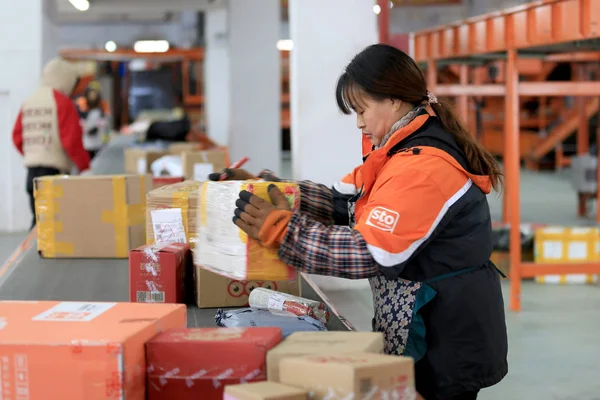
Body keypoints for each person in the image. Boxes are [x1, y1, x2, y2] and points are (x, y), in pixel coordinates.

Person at [211, 44, 508, 400]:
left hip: (444, 333)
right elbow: (343, 203)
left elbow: (369, 253)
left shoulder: (423, 167)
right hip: (422, 322)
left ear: (394, 100)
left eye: (362, 109)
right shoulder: (394, 151)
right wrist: (271, 189)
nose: (359, 122)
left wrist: (283, 231)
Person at [12, 57, 91, 229]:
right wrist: (85, 167)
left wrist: (34, 153)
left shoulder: (29, 102)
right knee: (55, 227)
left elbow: (17, 137)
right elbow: (71, 141)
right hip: (54, 175)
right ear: (65, 79)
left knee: (38, 222)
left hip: (31, 174)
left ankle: (32, 254)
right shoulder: (62, 102)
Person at [75, 81, 111, 160]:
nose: (93, 96)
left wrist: (99, 124)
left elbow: (106, 120)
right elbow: (78, 118)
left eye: (95, 93)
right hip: (86, 141)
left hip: (99, 140)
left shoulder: (103, 105)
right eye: (91, 93)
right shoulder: (81, 103)